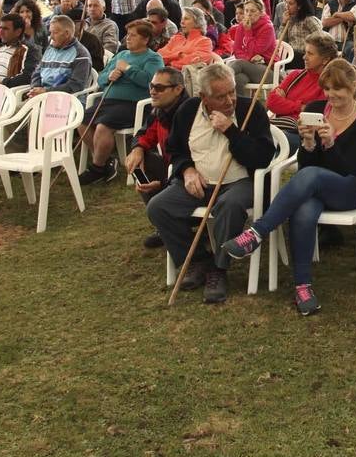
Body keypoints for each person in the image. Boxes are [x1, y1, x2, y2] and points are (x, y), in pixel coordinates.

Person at [223, 59, 356, 315]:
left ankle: (257, 232)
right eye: (327, 88)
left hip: (350, 189)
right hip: (315, 186)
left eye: (337, 89)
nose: (331, 95)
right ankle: (302, 285)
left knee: (312, 176)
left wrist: (330, 144)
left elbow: (349, 169)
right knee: (305, 209)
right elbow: (308, 163)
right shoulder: (318, 109)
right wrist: (308, 143)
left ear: (353, 86)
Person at [148, 62, 278, 304]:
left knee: (228, 205)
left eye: (231, 92)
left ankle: (219, 269)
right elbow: (175, 149)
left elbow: (262, 157)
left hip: (241, 182)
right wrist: (186, 171)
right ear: (203, 97)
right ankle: (198, 260)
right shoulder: (188, 111)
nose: (230, 100)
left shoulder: (250, 110)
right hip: (199, 181)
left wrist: (231, 131)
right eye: (221, 96)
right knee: (158, 207)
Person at [79, 20, 164, 185]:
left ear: (145, 39)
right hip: (109, 101)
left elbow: (150, 82)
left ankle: (97, 168)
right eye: (128, 35)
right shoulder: (121, 55)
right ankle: (106, 162)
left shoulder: (153, 58)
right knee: (82, 122)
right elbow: (102, 77)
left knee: (103, 126)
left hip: (134, 105)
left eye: (133, 35)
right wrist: (109, 76)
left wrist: (128, 70)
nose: (128, 39)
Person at [124, 66, 187, 248]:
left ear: (178, 89)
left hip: (189, 176)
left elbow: (191, 163)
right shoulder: (160, 111)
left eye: (159, 88)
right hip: (172, 172)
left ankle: (183, 226)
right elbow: (143, 134)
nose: (152, 91)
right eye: (151, 86)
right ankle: (163, 225)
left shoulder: (188, 115)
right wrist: (137, 149)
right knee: (140, 159)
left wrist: (162, 184)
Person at [265, 32, 336, 128]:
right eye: (305, 52)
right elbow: (271, 102)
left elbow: (315, 114)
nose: (304, 57)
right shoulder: (295, 75)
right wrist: (300, 107)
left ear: (325, 59)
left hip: (303, 133)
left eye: (310, 54)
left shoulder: (328, 84)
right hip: (281, 126)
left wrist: (285, 101)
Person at [25, 15, 92, 98]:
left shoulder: (81, 54)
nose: (51, 37)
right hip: (43, 97)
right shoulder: (50, 49)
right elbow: (37, 73)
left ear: (67, 34)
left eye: (55, 33)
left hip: (67, 100)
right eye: (50, 32)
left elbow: (75, 85)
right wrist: (35, 89)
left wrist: (46, 91)